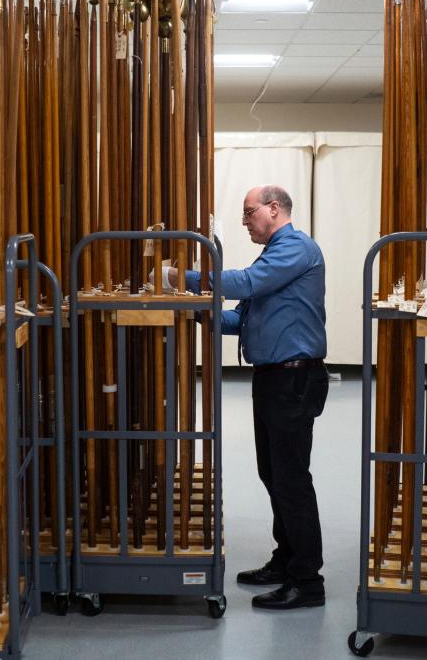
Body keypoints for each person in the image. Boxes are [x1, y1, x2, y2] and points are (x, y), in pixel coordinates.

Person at [169, 184, 328, 610]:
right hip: (273, 378)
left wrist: (176, 277)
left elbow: (244, 284)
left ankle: (307, 581)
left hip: (293, 380)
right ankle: (286, 560)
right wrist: (195, 306)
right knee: (273, 474)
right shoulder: (276, 252)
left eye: (248, 212)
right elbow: (241, 317)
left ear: (274, 209)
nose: (244, 222)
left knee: (291, 480)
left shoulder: (296, 248)